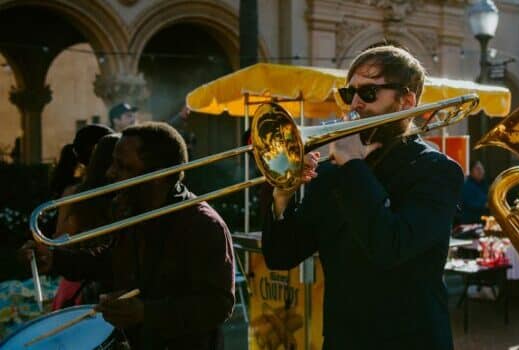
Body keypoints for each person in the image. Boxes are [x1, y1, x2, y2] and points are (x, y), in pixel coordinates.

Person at [260, 45, 463, 348]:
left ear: (407, 101)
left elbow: (390, 246)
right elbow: (281, 255)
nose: (355, 103)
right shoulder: (334, 171)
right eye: (348, 93)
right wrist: (282, 197)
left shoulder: (436, 170)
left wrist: (353, 165)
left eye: (369, 93)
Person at [19, 122, 235, 349]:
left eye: (123, 167)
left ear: (157, 174)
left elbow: (218, 304)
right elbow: (110, 261)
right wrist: (54, 258)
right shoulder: (134, 210)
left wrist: (146, 312)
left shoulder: (203, 224)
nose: (110, 172)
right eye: (113, 163)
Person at [51, 133, 120, 310]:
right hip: (103, 286)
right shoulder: (127, 198)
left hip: (77, 283)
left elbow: (60, 239)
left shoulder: (75, 194)